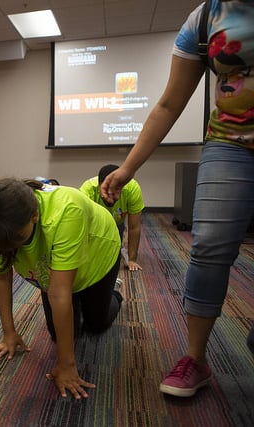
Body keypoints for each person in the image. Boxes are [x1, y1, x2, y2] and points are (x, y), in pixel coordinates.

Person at [99, 1, 254, 397]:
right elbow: (169, 104)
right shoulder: (206, 18)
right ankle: (195, 358)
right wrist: (128, 168)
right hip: (231, 145)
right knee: (208, 247)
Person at [0, 178, 123, 399]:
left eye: (17, 238)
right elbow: (2, 276)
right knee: (59, 333)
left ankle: (114, 293)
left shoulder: (66, 210)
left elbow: (58, 294)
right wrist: (9, 333)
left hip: (98, 256)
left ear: (34, 215)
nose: (9, 248)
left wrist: (66, 365)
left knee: (95, 324)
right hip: (48, 266)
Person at [80, 164, 145, 271]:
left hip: (117, 222)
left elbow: (134, 228)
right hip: (94, 225)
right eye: (108, 191)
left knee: (114, 252)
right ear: (100, 185)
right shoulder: (87, 191)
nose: (114, 197)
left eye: (117, 191)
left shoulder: (132, 189)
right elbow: (81, 228)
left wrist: (132, 260)